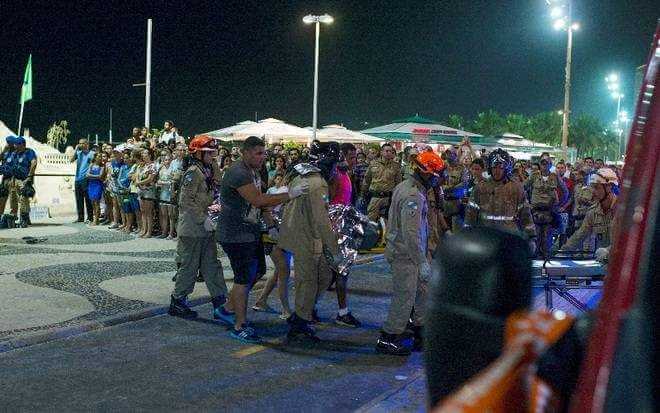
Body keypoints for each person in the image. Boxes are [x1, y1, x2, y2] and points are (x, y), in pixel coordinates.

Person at [215, 136, 308, 344]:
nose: (262, 157)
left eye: (263, 153)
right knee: (243, 279)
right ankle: (240, 325)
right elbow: (257, 200)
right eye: (258, 153)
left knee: (257, 272)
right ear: (245, 153)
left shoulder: (254, 171)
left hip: (250, 232)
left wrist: (271, 225)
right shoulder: (239, 172)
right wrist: (290, 194)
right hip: (235, 234)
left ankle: (227, 309)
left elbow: (261, 204)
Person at [376, 150, 446, 356]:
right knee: (404, 297)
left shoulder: (408, 187)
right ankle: (389, 337)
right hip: (406, 255)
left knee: (422, 292)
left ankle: (419, 331)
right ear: (425, 173)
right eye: (434, 176)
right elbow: (411, 233)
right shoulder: (413, 195)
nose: (436, 181)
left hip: (411, 254)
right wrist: (421, 261)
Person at [279, 141, 341, 343]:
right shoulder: (318, 182)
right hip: (305, 236)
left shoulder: (301, 174)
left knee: (323, 275)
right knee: (308, 281)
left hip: (299, 233)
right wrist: (334, 249)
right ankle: (299, 324)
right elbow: (321, 220)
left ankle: (302, 313)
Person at [168, 136, 230, 321]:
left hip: (204, 226)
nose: (213, 156)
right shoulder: (193, 172)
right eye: (209, 153)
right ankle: (178, 302)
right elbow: (185, 201)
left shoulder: (206, 169)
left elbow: (218, 182)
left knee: (212, 265)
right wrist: (203, 219)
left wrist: (214, 164)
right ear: (198, 154)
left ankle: (220, 303)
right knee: (189, 266)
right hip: (192, 227)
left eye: (213, 152)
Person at [465, 148, 536, 248]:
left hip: (508, 238)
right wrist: (467, 234)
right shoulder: (480, 187)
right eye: (494, 167)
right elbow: (471, 213)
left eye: (500, 167)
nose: (497, 171)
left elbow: (525, 214)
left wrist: (531, 237)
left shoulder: (516, 188)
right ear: (490, 168)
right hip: (485, 237)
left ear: (506, 168)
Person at [327, 143, 361, 327]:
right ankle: (342, 312)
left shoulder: (345, 174)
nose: (355, 161)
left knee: (333, 273)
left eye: (356, 157)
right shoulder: (336, 175)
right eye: (351, 157)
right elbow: (330, 201)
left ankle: (310, 309)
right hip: (336, 229)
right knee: (341, 271)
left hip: (342, 226)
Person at [252, 173, 293, 319]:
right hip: (273, 234)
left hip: (283, 233)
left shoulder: (293, 192)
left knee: (279, 271)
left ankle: (261, 300)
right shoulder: (284, 192)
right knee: (284, 270)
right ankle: (286, 309)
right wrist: (272, 227)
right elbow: (266, 207)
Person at [562, 168, 618, 256]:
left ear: (609, 187)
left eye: (596, 188)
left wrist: (607, 251)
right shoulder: (593, 212)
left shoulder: (622, 211)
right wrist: (563, 252)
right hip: (601, 261)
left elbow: (626, 242)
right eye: (592, 187)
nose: (593, 192)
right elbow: (579, 235)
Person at [527, 157, 568, 256]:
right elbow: (523, 188)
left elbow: (565, 191)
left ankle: (546, 259)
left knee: (547, 240)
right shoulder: (534, 176)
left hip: (549, 212)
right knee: (535, 238)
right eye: (543, 163)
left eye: (547, 163)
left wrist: (559, 205)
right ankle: (535, 260)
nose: (544, 165)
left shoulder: (555, 176)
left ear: (550, 165)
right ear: (540, 164)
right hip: (535, 212)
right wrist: (527, 203)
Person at [361, 143, 402, 222]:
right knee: (371, 221)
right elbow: (367, 180)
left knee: (388, 221)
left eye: (391, 151)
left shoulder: (396, 166)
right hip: (375, 197)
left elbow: (398, 183)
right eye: (386, 151)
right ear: (381, 152)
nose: (389, 153)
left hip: (389, 198)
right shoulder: (373, 164)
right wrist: (363, 194)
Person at [6, 137, 38, 228]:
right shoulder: (15, 154)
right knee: (13, 198)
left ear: (22, 145)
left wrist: (29, 176)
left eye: (17, 145)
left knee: (23, 198)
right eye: (15, 145)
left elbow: (34, 163)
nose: (15, 146)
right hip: (14, 179)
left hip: (24, 179)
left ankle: (24, 218)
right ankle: (13, 217)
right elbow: (13, 167)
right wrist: (12, 179)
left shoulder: (29, 152)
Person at [70, 139, 95, 223]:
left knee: (88, 199)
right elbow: (71, 160)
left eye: (82, 143)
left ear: (87, 144)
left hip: (86, 178)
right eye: (79, 143)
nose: (80, 145)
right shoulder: (78, 153)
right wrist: (76, 150)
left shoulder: (92, 154)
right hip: (77, 179)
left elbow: (94, 164)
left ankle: (90, 217)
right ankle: (80, 218)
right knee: (79, 199)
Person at [135, 149, 157, 238]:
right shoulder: (142, 165)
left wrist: (139, 183)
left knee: (148, 212)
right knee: (143, 211)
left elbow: (150, 178)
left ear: (149, 155)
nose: (143, 155)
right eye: (143, 153)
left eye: (145, 153)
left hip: (149, 191)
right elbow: (137, 175)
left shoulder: (153, 165)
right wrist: (137, 181)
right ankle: (144, 229)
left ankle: (149, 231)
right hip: (141, 190)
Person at [156, 152, 176, 239]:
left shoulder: (173, 169)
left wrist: (163, 182)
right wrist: (161, 182)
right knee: (164, 214)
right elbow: (158, 181)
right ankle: (164, 232)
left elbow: (173, 181)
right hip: (163, 193)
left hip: (170, 193)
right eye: (165, 160)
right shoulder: (161, 169)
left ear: (171, 160)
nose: (167, 161)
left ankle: (171, 233)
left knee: (171, 215)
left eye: (168, 160)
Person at [0, 136, 17, 227]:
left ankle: (13, 216)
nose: (7, 144)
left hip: (13, 178)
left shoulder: (16, 153)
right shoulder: (6, 153)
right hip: (5, 178)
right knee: (2, 197)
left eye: (8, 143)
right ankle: (0, 215)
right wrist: (3, 151)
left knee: (12, 198)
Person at [86, 153, 105, 225]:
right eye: (98, 156)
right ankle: (95, 218)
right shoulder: (91, 165)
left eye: (101, 156)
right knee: (92, 202)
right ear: (95, 157)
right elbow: (87, 174)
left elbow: (101, 176)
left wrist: (92, 176)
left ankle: (96, 220)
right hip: (91, 185)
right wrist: (96, 176)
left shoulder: (102, 166)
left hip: (98, 185)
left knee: (97, 202)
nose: (100, 158)